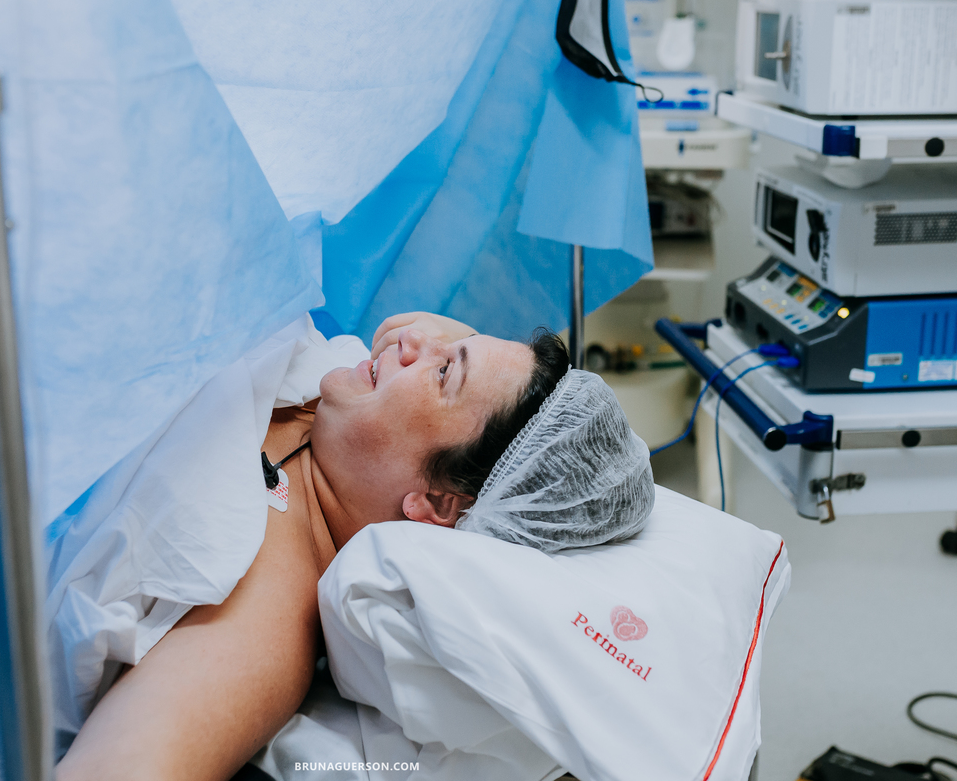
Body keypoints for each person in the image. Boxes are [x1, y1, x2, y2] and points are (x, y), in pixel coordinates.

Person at [55, 312, 653, 781]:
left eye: (445, 371)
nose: (416, 339)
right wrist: (452, 353)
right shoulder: (345, 393)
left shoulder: (262, 616)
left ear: (438, 503)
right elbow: (426, 344)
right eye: (454, 342)